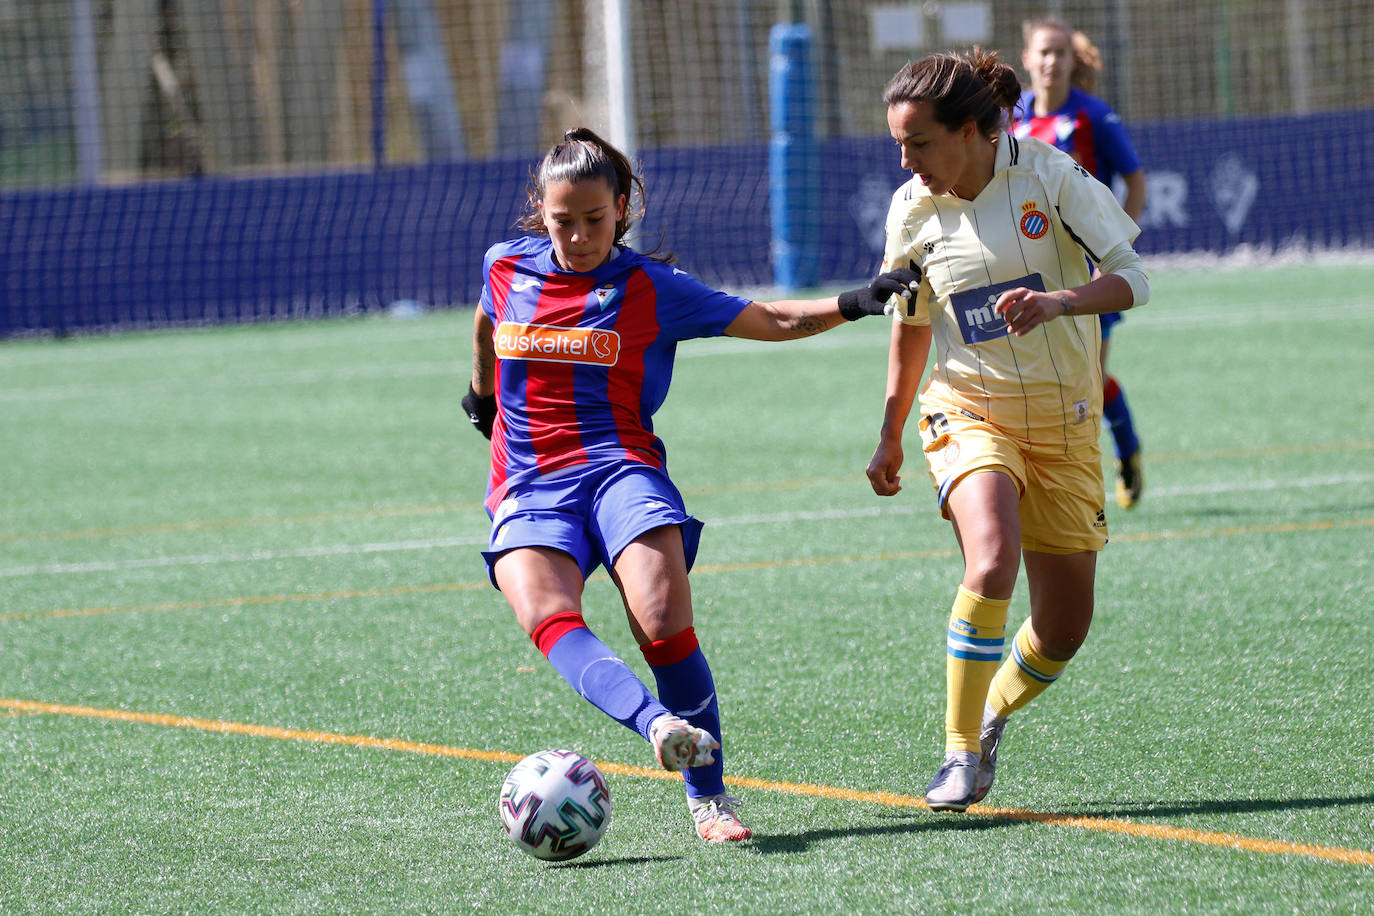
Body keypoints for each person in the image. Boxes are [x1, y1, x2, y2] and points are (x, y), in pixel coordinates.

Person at [461, 127, 911, 843]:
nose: (577, 237)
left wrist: (858, 300)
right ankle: (658, 727)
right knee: (545, 610)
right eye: (562, 221)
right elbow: (488, 322)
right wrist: (482, 393)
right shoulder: (505, 264)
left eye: (594, 219)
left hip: (620, 469)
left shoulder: (651, 287)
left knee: (663, 618)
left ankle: (710, 798)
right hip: (529, 479)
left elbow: (773, 318)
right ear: (539, 211)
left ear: (621, 209)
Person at [864, 49, 1149, 811]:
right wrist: (890, 431)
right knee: (991, 559)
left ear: (969, 130)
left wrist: (1061, 301)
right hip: (968, 409)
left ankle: (989, 717)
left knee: (1064, 628)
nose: (906, 160)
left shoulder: (1051, 177)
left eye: (919, 142)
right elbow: (911, 326)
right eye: (898, 144)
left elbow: (1134, 276)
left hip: (1066, 425)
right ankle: (957, 753)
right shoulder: (910, 209)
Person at [1014, 18, 1148, 509]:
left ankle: (1125, 454)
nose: (1051, 61)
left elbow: (1136, 181)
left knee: (1088, 377)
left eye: (1060, 52)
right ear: (1027, 59)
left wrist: (1112, 255)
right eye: (1043, 52)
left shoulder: (1093, 116)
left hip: (1086, 276)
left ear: (1073, 60)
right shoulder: (1010, 117)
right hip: (1030, 273)